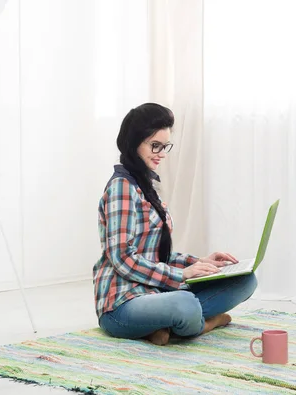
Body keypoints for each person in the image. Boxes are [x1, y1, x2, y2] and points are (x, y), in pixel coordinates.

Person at [92, 103, 257, 345]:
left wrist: (199, 263)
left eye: (164, 146)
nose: (161, 153)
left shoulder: (146, 186)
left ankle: (160, 328)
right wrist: (181, 275)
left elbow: (155, 254)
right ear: (133, 142)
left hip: (157, 293)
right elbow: (123, 259)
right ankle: (202, 324)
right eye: (154, 146)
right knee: (184, 303)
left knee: (244, 281)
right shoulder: (122, 188)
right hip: (122, 303)